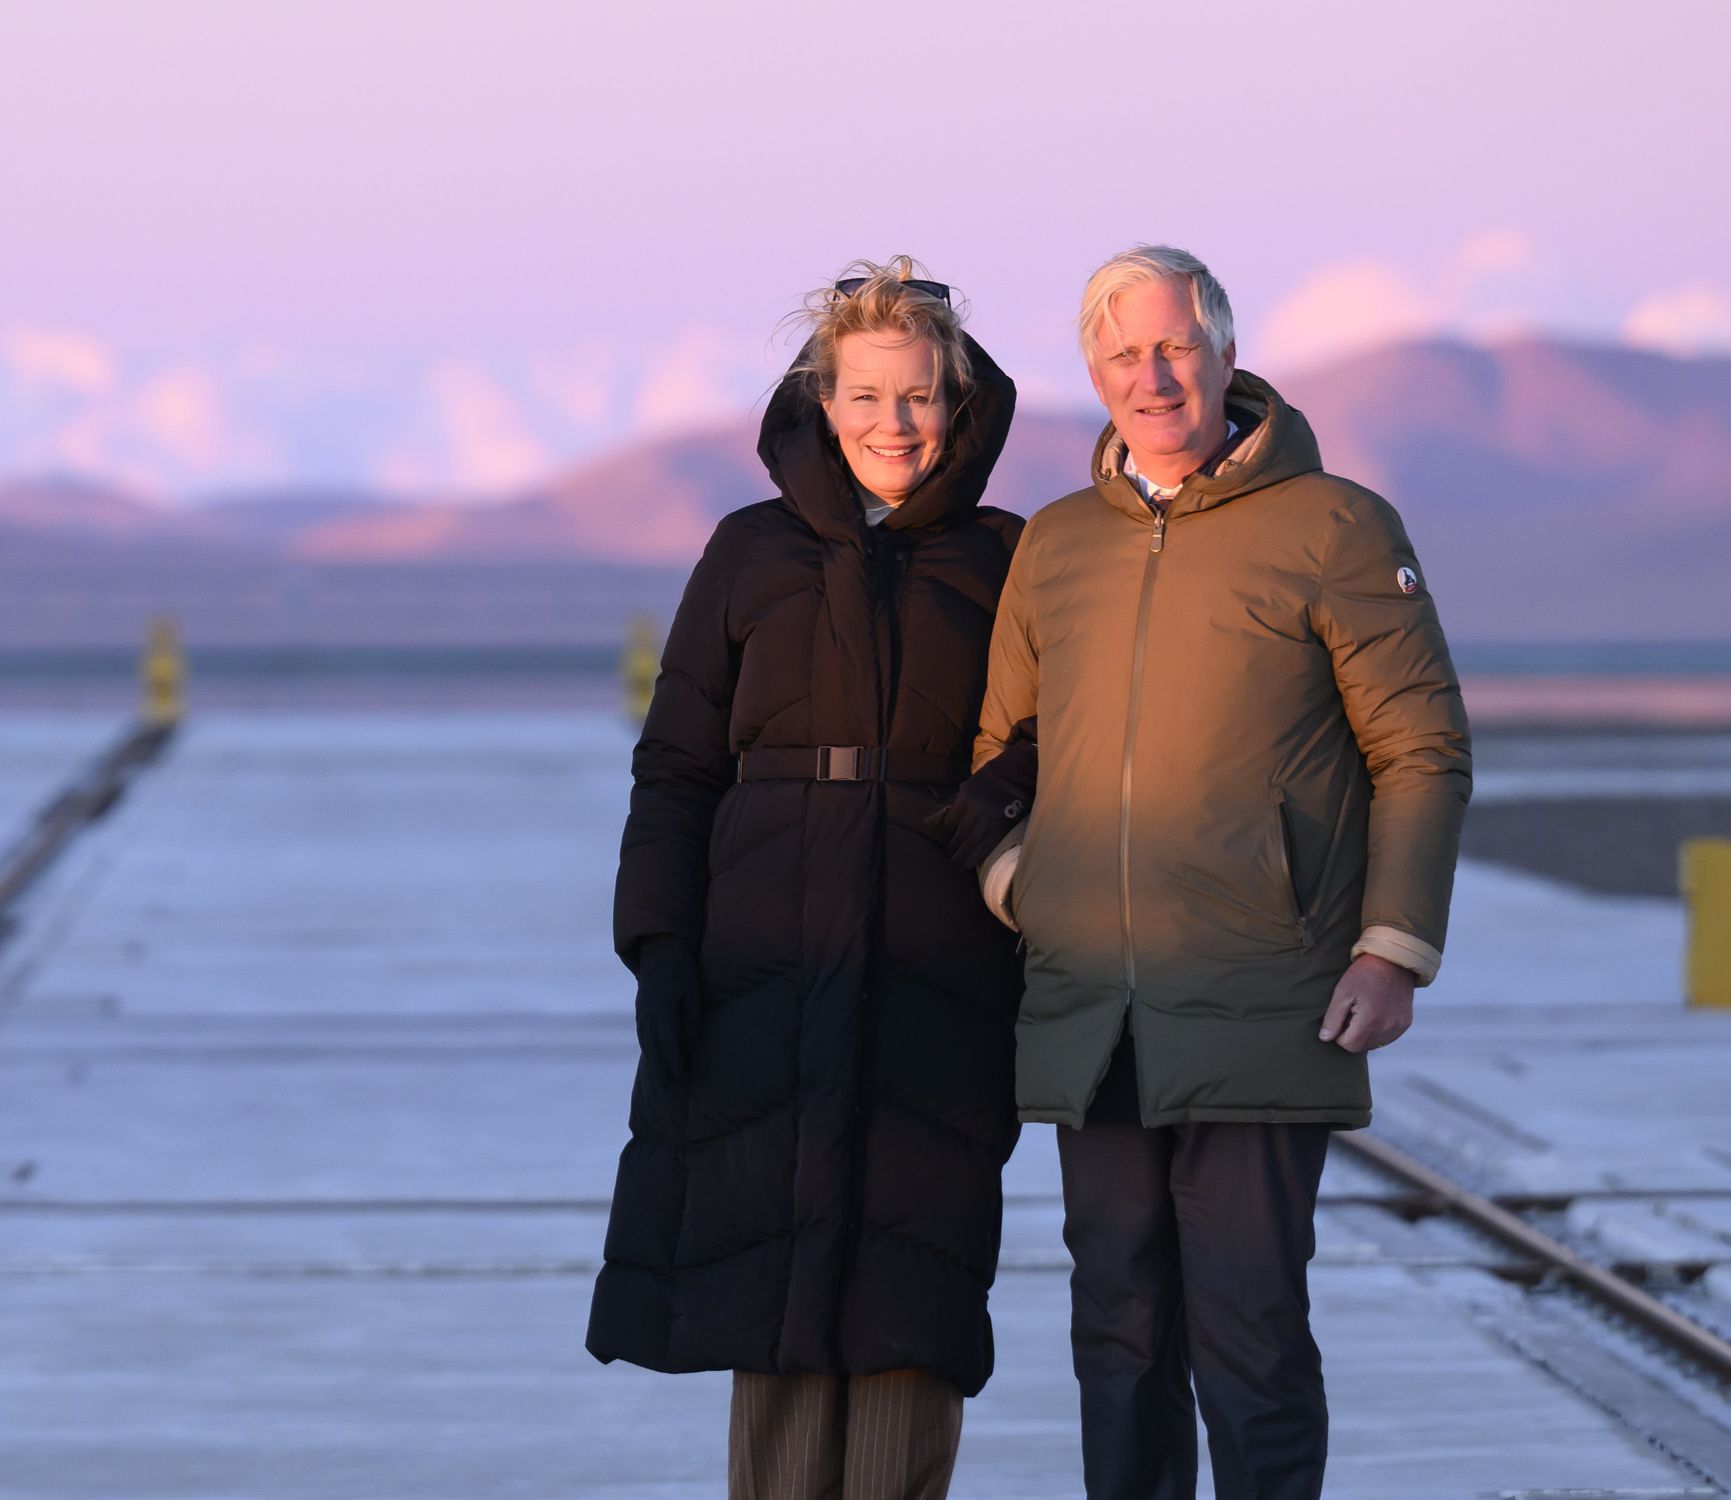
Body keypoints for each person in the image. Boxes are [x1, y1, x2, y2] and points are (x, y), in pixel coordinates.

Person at [971, 245, 1472, 1499]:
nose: (1152, 377)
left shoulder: (1336, 526)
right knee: (1117, 1329)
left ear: (1226, 353)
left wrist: (1391, 945)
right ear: (1091, 373)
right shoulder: (1055, 545)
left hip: (1268, 993)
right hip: (1097, 1015)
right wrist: (1024, 887)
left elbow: (1420, 746)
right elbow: (998, 756)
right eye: (1123, 355)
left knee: (1247, 1333)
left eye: (1174, 348)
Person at [586, 258, 1027, 1500]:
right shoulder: (746, 552)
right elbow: (674, 768)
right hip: (761, 966)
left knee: (912, 1285)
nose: (895, 423)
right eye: (868, 396)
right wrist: (659, 948)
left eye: (920, 396)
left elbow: (1054, 744)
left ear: (959, 403)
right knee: (767, 1279)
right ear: (822, 404)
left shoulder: (1009, 559)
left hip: (942, 971)